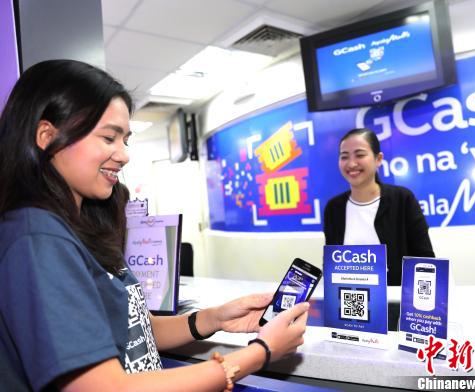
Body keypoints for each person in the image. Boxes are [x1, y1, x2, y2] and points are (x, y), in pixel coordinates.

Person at [0, 60, 309, 391]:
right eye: (109, 137)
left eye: (125, 140)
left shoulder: (78, 225)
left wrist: (213, 319)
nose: (123, 155)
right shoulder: (39, 239)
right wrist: (260, 353)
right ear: (47, 136)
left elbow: (130, 329)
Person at [324, 128, 435, 286]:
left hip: (396, 301)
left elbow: (425, 260)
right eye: (344, 157)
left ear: (378, 159)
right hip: (348, 301)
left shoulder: (403, 199)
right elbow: (331, 264)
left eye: (360, 155)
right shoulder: (333, 208)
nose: (351, 163)